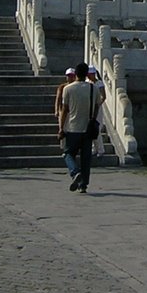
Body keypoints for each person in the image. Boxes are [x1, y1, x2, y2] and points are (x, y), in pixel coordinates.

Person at [58, 62, 103, 194]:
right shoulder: (93, 88)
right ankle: (83, 185)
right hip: (87, 128)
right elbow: (97, 106)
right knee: (86, 158)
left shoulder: (68, 89)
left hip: (72, 127)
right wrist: (93, 120)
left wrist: (61, 127)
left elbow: (64, 110)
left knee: (68, 153)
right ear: (86, 74)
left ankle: (75, 172)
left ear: (76, 74)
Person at [87, 65, 107, 156]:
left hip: (97, 108)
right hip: (88, 108)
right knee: (90, 129)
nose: (88, 76)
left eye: (90, 74)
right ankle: (94, 148)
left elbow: (103, 96)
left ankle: (101, 150)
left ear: (93, 74)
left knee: (96, 129)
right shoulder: (87, 83)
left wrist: (98, 104)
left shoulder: (99, 83)